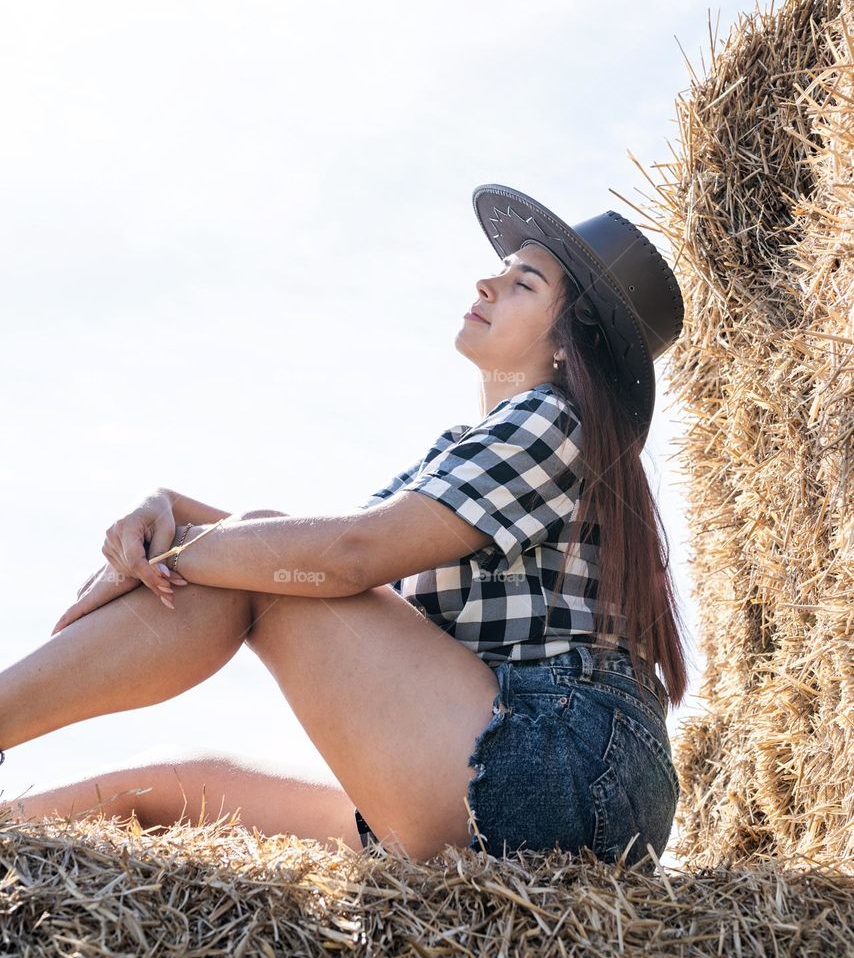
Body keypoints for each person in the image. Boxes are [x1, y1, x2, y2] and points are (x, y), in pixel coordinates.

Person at [0, 183, 688, 865]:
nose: (485, 281)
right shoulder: (464, 453)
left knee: (257, 567)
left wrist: (175, 551)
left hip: (562, 769)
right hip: (517, 776)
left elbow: (339, 559)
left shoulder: (555, 417)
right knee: (159, 785)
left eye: (522, 283)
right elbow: (318, 545)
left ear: (572, 344)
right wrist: (174, 509)